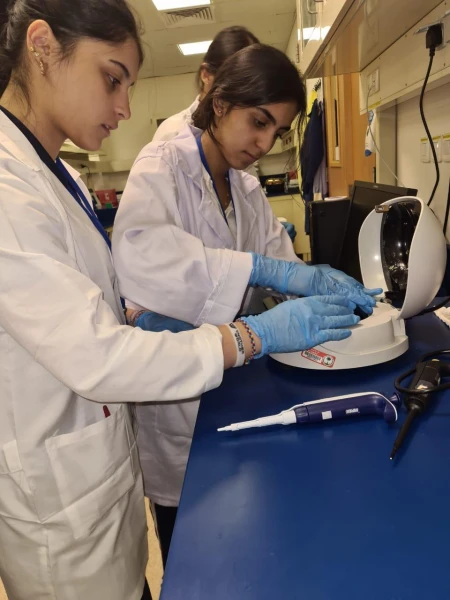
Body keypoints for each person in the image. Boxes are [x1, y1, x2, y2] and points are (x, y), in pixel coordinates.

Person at [0, 1, 375, 598]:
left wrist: (296, 280)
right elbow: (99, 351)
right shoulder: (10, 188)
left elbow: (91, 300)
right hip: (59, 503)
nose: (125, 107)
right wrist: (252, 332)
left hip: (102, 476)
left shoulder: (57, 175)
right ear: (42, 47)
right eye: (113, 78)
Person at [112, 44, 382, 566]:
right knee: (193, 550)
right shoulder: (162, 165)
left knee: (248, 542)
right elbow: (143, 257)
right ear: (219, 103)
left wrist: (313, 282)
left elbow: (282, 263)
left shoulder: (246, 187)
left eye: (277, 132)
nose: (264, 143)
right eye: (258, 122)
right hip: (177, 405)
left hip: (235, 385)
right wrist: (262, 271)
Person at [152, 25, 259, 144]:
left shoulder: (246, 134)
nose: (240, 94)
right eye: (232, 81)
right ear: (206, 75)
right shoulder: (173, 133)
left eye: (249, 85)